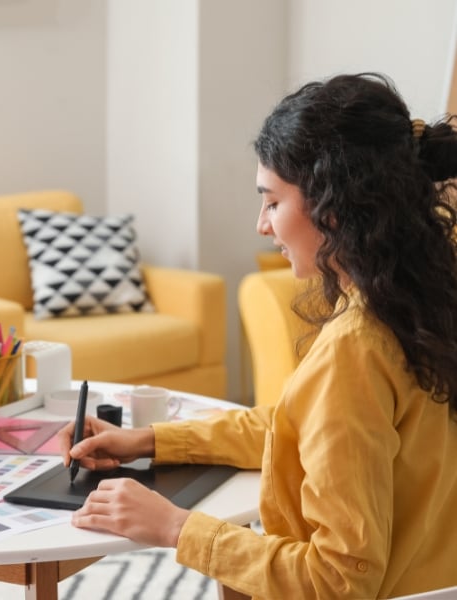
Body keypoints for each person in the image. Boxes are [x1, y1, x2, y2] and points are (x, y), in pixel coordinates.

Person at [58, 73, 457, 599]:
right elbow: (297, 426)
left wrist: (174, 527)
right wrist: (151, 441)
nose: (262, 226)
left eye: (271, 202)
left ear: (334, 203)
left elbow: (338, 580)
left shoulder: (356, 348)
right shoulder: (419, 303)